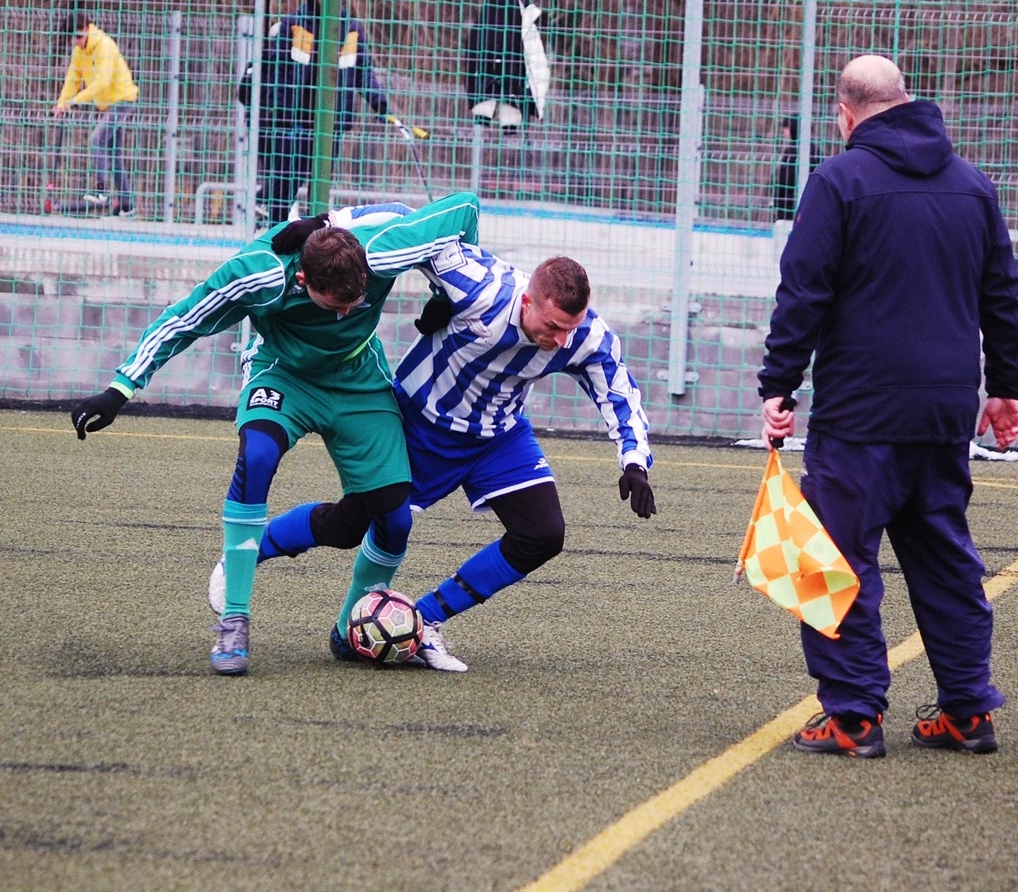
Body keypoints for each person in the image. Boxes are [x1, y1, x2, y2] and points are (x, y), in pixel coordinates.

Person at [208, 204, 657, 672]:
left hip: (498, 437)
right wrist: (325, 224)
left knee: (543, 535)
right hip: (422, 425)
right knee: (349, 527)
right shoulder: (479, 285)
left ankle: (421, 621)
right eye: (554, 327)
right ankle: (244, 556)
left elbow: (619, 393)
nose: (564, 340)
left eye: (572, 327)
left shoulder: (586, 336)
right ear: (528, 301)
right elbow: (410, 223)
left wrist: (634, 461)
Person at [70, 192, 482, 676]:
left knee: (394, 517)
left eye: (357, 301)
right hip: (282, 374)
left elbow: (465, 210)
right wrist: (120, 388)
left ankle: (348, 633)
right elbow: (184, 319)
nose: (346, 312)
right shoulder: (259, 273)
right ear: (303, 279)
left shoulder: (383, 250)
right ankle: (235, 620)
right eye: (335, 304)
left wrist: (448, 296)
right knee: (258, 456)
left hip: (359, 381)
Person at [757, 55, 1018, 758]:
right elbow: (1002, 295)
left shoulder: (838, 180)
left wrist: (778, 384)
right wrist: (1007, 388)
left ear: (844, 113)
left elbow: (804, 291)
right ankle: (968, 713)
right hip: (944, 412)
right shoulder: (973, 186)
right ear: (908, 100)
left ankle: (852, 717)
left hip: (860, 412)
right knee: (944, 560)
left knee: (834, 560)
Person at [239, 0, 393, 225]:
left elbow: (363, 73)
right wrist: (279, 114)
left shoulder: (351, 29)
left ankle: (309, 240)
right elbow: (277, 73)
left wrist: (381, 105)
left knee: (319, 187)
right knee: (286, 181)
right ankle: (273, 227)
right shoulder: (293, 24)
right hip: (293, 122)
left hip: (331, 125)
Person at [53, 12, 139, 217]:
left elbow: (102, 81)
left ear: (86, 29)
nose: (76, 42)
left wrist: (75, 101)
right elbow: (72, 79)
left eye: (78, 37)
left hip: (122, 99)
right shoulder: (79, 51)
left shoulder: (104, 46)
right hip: (107, 104)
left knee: (97, 139)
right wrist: (62, 103)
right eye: (72, 38)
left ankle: (100, 190)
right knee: (114, 154)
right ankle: (127, 205)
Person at [771, 114, 822, 222]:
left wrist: (776, 201)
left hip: (788, 206)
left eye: (786, 129)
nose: (784, 133)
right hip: (812, 204)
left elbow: (783, 181)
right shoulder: (816, 151)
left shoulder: (792, 152)